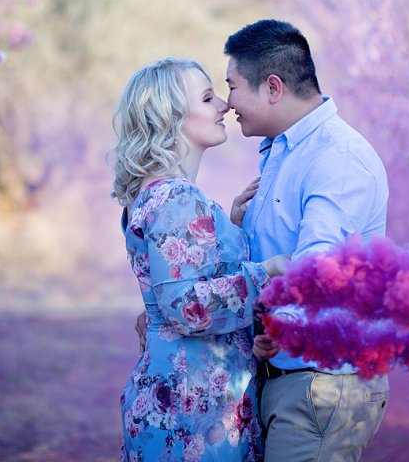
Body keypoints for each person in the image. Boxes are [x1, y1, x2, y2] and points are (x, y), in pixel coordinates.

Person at [224, 19, 390, 462]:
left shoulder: (336, 158)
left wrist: (282, 326)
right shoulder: (286, 150)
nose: (227, 102)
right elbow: (273, 258)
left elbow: (318, 268)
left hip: (323, 381)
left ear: (273, 87)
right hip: (289, 377)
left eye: (233, 87)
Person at [112, 57, 289, 462]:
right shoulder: (176, 197)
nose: (224, 105)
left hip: (187, 396)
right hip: (193, 406)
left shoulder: (160, 194)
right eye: (208, 98)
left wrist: (225, 229)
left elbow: (180, 281)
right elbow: (185, 308)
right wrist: (269, 272)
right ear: (172, 117)